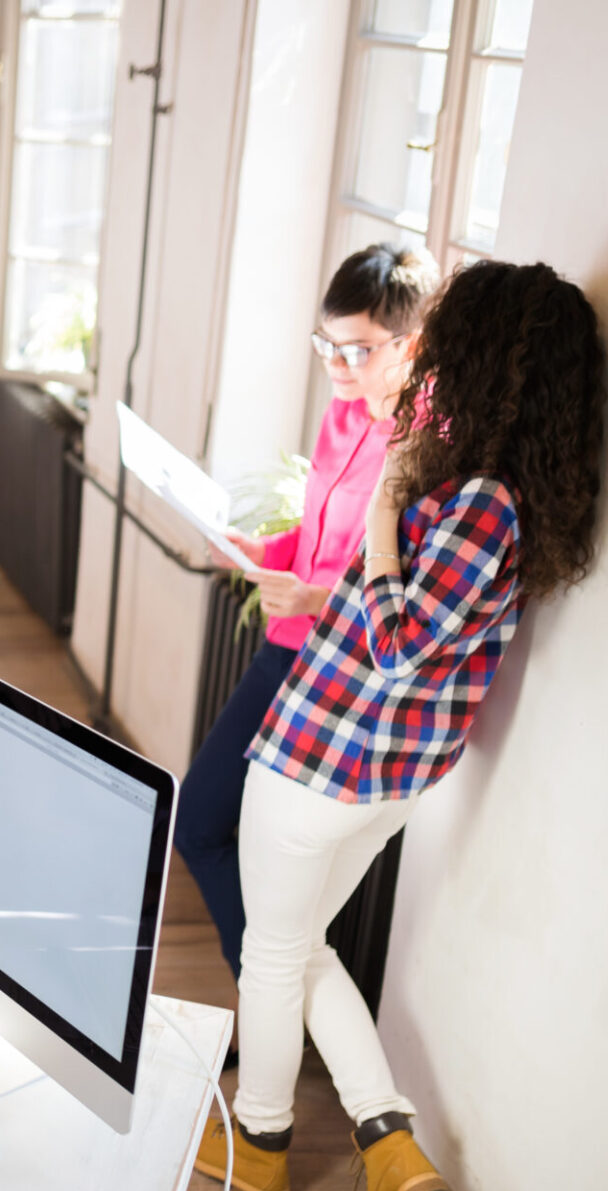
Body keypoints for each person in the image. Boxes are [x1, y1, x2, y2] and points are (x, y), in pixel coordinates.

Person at [194, 261, 608, 1191]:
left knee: (275, 952)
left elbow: (395, 639)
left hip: (321, 761)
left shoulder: (482, 504)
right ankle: (388, 1140)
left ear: (489, 363)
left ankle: (261, 1136)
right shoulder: (490, 491)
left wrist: (383, 517)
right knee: (302, 947)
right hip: (376, 772)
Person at [176, 244, 439, 976]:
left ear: (409, 344)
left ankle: (271, 989)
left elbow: (411, 586)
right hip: (289, 644)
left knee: (235, 843)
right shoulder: (343, 414)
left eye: (355, 350)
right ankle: (270, 983)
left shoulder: (426, 445)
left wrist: (321, 597)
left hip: (345, 669)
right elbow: (322, 535)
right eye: (327, 344)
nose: (336, 365)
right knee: (198, 822)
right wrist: (268, 547)